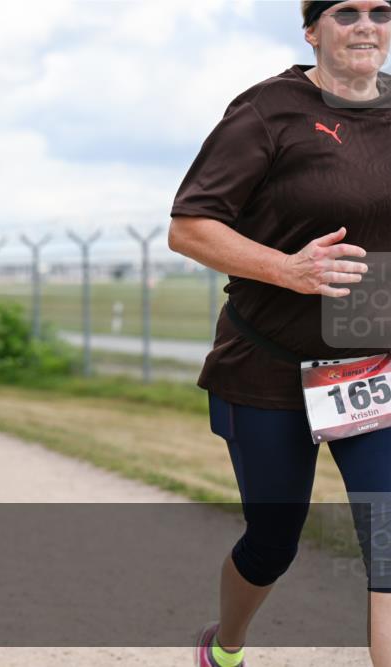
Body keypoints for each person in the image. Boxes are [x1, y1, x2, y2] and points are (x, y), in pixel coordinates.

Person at [168, 2, 391, 665]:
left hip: (370, 368)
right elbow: (189, 227)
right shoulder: (269, 111)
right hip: (269, 364)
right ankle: (226, 644)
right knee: (273, 540)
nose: (367, 25)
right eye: (346, 12)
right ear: (312, 30)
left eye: (381, 11)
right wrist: (287, 269)